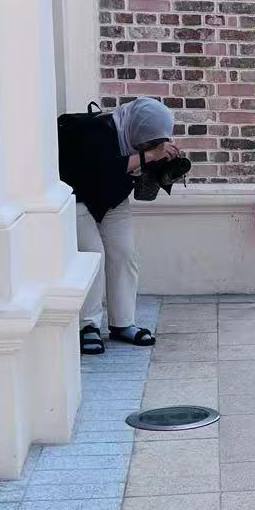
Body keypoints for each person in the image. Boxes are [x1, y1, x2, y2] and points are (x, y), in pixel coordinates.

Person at [58, 97, 180, 354]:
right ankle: (88, 326)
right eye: (151, 140)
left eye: (159, 140)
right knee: (94, 255)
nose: (153, 145)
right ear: (138, 129)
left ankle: (123, 323)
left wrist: (164, 166)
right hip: (78, 196)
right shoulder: (98, 130)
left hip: (112, 198)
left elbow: (140, 177)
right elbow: (102, 170)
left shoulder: (141, 143)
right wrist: (148, 156)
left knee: (124, 254)